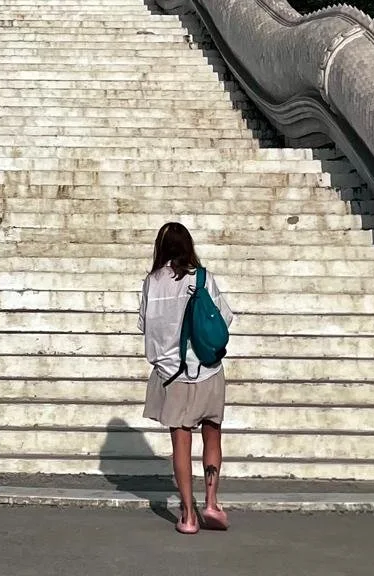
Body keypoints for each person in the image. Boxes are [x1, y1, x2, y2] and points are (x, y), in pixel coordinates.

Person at [139, 220, 235, 534]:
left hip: (171, 373)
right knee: (212, 433)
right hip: (207, 368)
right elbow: (225, 318)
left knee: (181, 442)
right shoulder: (202, 278)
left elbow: (144, 325)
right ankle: (211, 501)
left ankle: (188, 516)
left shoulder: (152, 283)